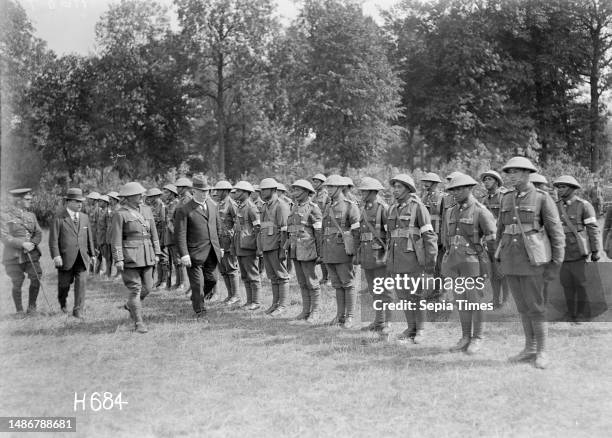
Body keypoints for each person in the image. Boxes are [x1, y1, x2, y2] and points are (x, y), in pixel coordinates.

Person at [497, 157, 565, 369]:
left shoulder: (542, 198)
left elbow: (556, 233)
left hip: (532, 261)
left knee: (536, 307)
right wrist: (498, 256)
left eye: (516, 172)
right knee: (523, 307)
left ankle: (542, 351)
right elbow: (501, 230)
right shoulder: (506, 198)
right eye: (509, 173)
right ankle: (529, 347)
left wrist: (555, 264)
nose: (511, 176)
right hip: (511, 259)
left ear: (527, 173)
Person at [442, 174, 496, 354]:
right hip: (455, 262)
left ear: (469, 188)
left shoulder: (480, 211)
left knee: (475, 302)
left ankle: (477, 337)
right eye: (453, 190)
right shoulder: (450, 211)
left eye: (459, 189)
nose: (455, 192)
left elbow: (492, 240)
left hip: (473, 263)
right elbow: (446, 239)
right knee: (461, 302)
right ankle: (465, 337)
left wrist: (490, 266)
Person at [387, 174, 438, 343]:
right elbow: (391, 236)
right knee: (403, 295)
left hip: (414, 260)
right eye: (394, 186)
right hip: (396, 259)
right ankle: (411, 327)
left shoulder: (418, 207)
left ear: (408, 189)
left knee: (416, 295)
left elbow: (429, 236)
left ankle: (421, 330)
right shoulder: (392, 208)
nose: (395, 190)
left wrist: (430, 263)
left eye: (399, 187)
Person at [110, 182, 161, 333]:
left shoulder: (147, 210)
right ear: (129, 197)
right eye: (138, 194)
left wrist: (157, 252)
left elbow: (154, 232)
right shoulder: (120, 214)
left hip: (147, 254)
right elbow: (116, 239)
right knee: (135, 289)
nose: (142, 196)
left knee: (149, 287)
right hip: (130, 256)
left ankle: (130, 305)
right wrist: (118, 259)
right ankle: (139, 323)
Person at [552, 175, 601, 323]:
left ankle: (583, 313)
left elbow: (592, 229)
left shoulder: (583, 205)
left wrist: (595, 250)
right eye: (558, 187)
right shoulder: (555, 206)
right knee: (566, 283)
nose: (560, 190)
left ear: (573, 188)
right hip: (562, 252)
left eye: (563, 187)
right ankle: (570, 313)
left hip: (578, 252)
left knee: (581, 283)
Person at [175, 175, 222, 317]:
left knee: (212, 280)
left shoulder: (213, 206)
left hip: (212, 252)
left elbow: (218, 228)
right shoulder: (184, 210)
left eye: (206, 191)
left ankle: (196, 297)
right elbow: (180, 234)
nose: (204, 194)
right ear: (193, 191)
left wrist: (221, 247)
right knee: (197, 284)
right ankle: (200, 311)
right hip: (194, 254)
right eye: (201, 191)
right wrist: (184, 254)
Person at [49, 188, 95, 318]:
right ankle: (62, 302)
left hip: (82, 256)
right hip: (65, 257)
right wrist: (56, 255)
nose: (80, 204)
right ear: (68, 202)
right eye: (76, 201)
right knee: (64, 285)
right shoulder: (59, 217)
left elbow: (89, 237)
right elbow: (53, 239)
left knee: (82, 282)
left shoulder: (85, 217)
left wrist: (92, 254)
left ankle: (78, 310)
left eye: (81, 201)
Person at [321, 175, 360, 328]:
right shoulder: (328, 206)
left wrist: (356, 252)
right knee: (337, 285)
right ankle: (340, 315)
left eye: (331, 187)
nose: (328, 190)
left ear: (340, 188)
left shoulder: (350, 206)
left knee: (348, 284)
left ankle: (350, 316)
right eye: (327, 187)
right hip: (329, 250)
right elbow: (324, 229)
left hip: (344, 250)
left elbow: (357, 232)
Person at [355, 177, 391, 334]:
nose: (362, 193)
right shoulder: (364, 208)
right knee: (373, 290)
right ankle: (378, 321)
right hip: (367, 255)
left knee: (385, 291)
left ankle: (388, 322)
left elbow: (390, 234)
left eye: (364, 191)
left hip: (381, 255)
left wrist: (389, 255)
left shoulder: (383, 208)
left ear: (372, 192)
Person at [286, 179, 323, 322]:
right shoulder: (294, 207)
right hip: (295, 249)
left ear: (307, 192)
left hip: (308, 249)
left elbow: (318, 233)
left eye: (298, 190)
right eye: (294, 190)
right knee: (302, 282)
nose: (295, 193)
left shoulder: (313, 208)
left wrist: (320, 253)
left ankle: (316, 311)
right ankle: (305, 311)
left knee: (312, 282)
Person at [1, 188, 42, 315]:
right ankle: (19, 310)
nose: (30, 201)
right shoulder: (5, 216)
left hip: (31, 254)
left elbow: (38, 232)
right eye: (27, 199)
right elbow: (4, 236)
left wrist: (32, 244)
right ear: (19, 201)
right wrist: (22, 244)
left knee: (36, 277)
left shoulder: (31, 215)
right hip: (13, 256)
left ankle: (32, 307)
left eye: (30, 199)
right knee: (17, 281)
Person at [258, 178, 291, 316]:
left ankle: (283, 305)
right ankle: (275, 303)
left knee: (282, 276)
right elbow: (263, 228)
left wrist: (283, 250)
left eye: (265, 189)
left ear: (273, 190)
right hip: (267, 245)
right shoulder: (265, 206)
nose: (262, 192)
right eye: (261, 190)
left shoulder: (281, 205)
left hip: (277, 246)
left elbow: (285, 230)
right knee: (273, 277)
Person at [479, 170, 510, 309]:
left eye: (490, 179)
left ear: (497, 182)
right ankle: (495, 299)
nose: (486, 182)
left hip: (503, 240)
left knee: (503, 271)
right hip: (489, 242)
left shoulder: (504, 197)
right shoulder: (484, 200)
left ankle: (506, 300)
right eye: (485, 180)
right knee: (492, 272)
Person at [231, 181, 262, 310]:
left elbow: (258, 229)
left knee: (253, 274)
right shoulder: (240, 206)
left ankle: (256, 302)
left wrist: (258, 247)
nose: (236, 193)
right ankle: (249, 301)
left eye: (238, 191)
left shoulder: (251, 207)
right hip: (240, 245)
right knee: (244, 275)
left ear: (245, 193)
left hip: (249, 246)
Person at [214, 180, 241, 305]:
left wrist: (233, 240)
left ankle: (236, 296)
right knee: (223, 269)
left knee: (231, 267)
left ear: (225, 191)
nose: (217, 192)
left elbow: (238, 222)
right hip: (219, 240)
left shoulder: (231, 204)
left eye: (219, 190)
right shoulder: (219, 204)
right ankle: (230, 295)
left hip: (228, 240)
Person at [420, 172, 445, 298]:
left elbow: (446, 219)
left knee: (441, 265)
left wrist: (445, 239)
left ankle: (442, 292)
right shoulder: (423, 198)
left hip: (439, 238)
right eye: (424, 181)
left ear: (435, 183)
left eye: (428, 182)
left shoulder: (442, 198)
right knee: (432, 265)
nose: (425, 184)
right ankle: (436, 290)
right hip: (428, 237)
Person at [146, 188, 168, 289]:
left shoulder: (161, 206)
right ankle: (159, 280)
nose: (149, 198)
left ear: (156, 196)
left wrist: (162, 238)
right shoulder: (152, 206)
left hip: (161, 235)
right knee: (157, 258)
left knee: (163, 258)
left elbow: (163, 222)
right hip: (154, 235)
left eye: (151, 197)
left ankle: (164, 281)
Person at [162, 183, 181, 291]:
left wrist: (176, 234)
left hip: (173, 236)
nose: (165, 194)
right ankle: (176, 283)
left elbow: (170, 221)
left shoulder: (175, 203)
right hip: (168, 236)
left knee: (178, 261)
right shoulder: (169, 204)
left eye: (167, 192)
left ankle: (180, 283)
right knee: (173, 261)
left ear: (173, 194)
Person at [312, 174, 330, 285]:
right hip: (316, 224)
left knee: (322, 252)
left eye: (316, 182)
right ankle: (325, 277)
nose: (314, 184)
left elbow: (319, 207)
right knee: (320, 251)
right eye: (314, 182)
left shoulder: (323, 193)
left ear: (322, 183)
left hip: (321, 225)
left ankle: (327, 278)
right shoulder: (316, 194)